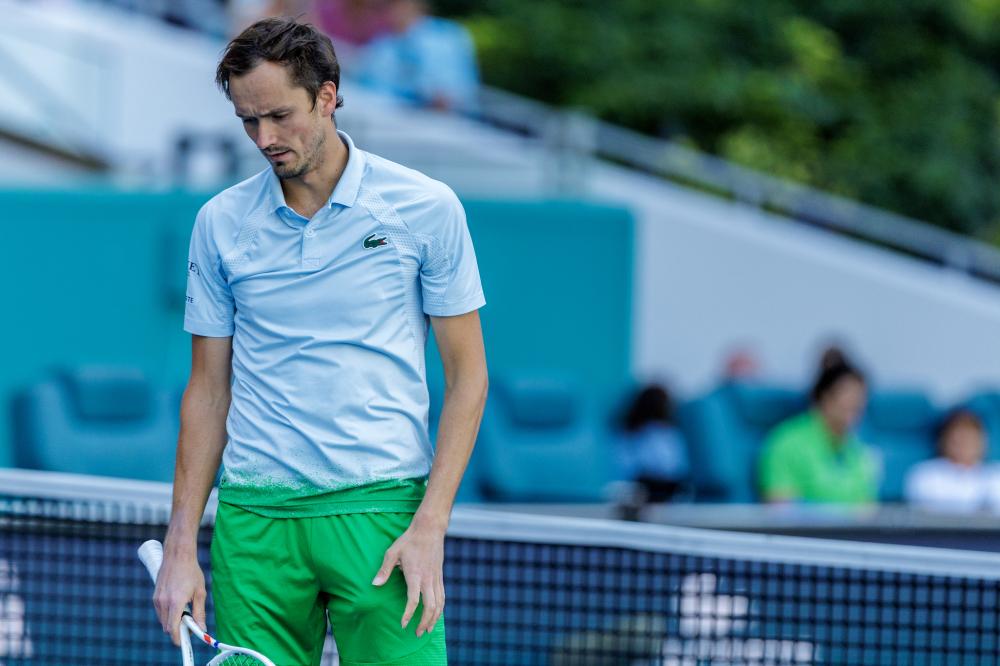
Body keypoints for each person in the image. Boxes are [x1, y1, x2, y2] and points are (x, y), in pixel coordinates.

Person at [152, 18, 487, 666]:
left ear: (328, 96)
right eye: (249, 122)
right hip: (254, 522)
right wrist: (179, 546)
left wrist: (431, 525)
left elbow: (469, 378)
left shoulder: (427, 208)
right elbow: (207, 389)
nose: (265, 138)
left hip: (382, 514)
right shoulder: (218, 224)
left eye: (279, 115)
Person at [758, 361, 878, 504]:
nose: (856, 407)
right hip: (803, 527)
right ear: (824, 397)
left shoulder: (857, 449)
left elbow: (867, 507)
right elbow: (779, 505)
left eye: (858, 404)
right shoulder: (786, 442)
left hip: (854, 527)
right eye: (847, 400)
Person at [355, 0, 479, 113]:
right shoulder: (381, 45)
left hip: (444, 123)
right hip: (390, 120)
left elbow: (454, 94)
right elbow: (370, 88)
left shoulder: (448, 36)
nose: (386, 11)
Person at [905, 410, 1000, 513]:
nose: (965, 443)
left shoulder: (995, 474)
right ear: (943, 440)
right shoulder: (924, 474)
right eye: (959, 438)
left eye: (972, 437)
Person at [615, 384, 690, 503]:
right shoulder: (630, 434)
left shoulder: (669, 433)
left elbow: (676, 468)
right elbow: (626, 469)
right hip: (638, 493)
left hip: (669, 493)